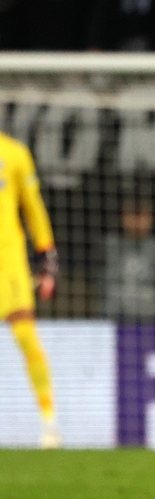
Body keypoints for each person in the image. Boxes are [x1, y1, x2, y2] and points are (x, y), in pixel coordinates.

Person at [0, 131, 61, 448]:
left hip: (7, 262)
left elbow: (33, 208)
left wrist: (47, 257)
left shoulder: (14, 153)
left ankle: (49, 424)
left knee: (25, 335)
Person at [103, 198, 155, 319]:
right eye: (131, 215)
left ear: (151, 218)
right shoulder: (109, 245)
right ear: (122, 217)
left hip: (154, 315)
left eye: (141, 215)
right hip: (116, 313)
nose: (137, 220)